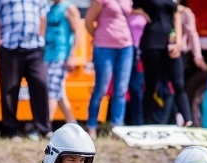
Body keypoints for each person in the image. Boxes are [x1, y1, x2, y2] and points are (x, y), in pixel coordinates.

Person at [0, 0, 51, 140]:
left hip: (34, 47)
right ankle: (11, 130)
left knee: (40, 84)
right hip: (10, 48)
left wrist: (41, 39)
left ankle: (44, 128)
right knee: (9, 89)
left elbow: (43, 15)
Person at [134, 0, 193, 127]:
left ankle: (188, 121)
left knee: (179, 83)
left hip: (170, 43)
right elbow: (130, 7)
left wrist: (178, 43)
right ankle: (147, 123)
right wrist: (142, 14)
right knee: (151, 84)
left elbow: (176, 16)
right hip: (152, 41)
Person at [84, 0, 134, 139]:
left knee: (121, 89)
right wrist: (98, 37)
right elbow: (88, 21)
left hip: (126, 47)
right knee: (101, 88)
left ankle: (116, 128)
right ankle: (92, 126)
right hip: (104, 48)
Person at [44, 0, 80, 125]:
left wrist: (72, 56)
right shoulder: (49, 8)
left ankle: (45, 126)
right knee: (59, 94)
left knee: (52, 91)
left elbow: (78, 33)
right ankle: (73, 125)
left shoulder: (69, 8)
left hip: (61, 56)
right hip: (47, 56)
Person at [125, 10, 147, 126]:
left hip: (142, 54)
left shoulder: (147, 10)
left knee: (136, 87)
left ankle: (139, 122)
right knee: (127, 88)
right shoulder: (127, 8)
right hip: (128, 52)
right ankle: (130, 120)